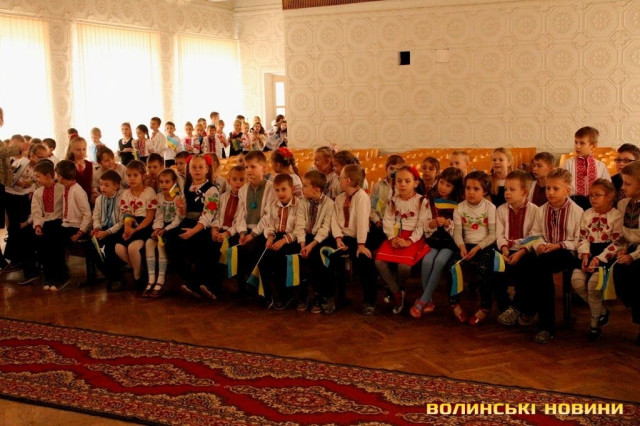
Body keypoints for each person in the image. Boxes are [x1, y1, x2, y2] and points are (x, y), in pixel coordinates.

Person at [528, 168, 584, 343]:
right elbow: (535, 234)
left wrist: (559, 245)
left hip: (567, 252)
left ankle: (538, 319)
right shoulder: (541, 210)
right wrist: (539, 244)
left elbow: (579, 240)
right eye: (548, 188)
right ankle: (536, 316)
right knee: (532, 263)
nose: (550, 192)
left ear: (567, 190)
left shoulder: (577, 212)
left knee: (540, 266)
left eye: (555, 188)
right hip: (547, 252)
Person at [374, 166, 430, 314]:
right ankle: (397, 292)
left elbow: (421, 225)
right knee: (379, 262)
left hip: (413, 238)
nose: (403, 184)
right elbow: (388, 221)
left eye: (407, 181)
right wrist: (392, 237)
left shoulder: (422, 201)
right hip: (395, 235)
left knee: (404, 267)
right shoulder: (392, 200)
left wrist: (409, 240)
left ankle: (396, 289)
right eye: (399, 181)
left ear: (415, 183)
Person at [571, 179, 622, 341]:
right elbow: (583, 237)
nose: (592, 199)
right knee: (576, 282)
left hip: (606, 256)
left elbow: (617, 242)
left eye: (597, 195)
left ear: (610, 196)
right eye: (590, 195)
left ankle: (594, 324)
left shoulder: (616, 216)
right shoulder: (587, 214)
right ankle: (601, 311)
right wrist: (585, 254)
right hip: (589, 252)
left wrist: (599, 259)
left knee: (593, 286)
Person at [411, 167, 464, 318]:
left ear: (455, 188)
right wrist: (431, 224)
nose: (443, 187)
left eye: (448, 185)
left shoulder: (459, 204)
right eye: (441, 182)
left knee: (440, 261)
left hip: (449, 242)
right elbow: (424, 221)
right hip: (433, 239)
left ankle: (422, 300)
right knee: (427, 261)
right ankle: (429, 300)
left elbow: (459, 227)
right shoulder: (430, 199)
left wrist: (448, 224)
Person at [167, 155, 219, 298]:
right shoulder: (186, 188)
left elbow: (208, 214)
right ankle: (187, 278)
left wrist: (193, 231)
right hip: (187, 222)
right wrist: (181, 208)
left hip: (202, 226)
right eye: (194, 167)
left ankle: (198, 283)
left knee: (201, 243)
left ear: (207, 169)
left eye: (201, 167)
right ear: (188, 170)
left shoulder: (211, 189)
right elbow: (183, 214)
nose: (197, 170)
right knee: (170, 240)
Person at [330, 164, 377, 315]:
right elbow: (334, 220)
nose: (339, 180)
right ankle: (335, 296)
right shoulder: (340, 198)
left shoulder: (361, 197)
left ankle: (369, 300)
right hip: (343, 238)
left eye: (340, 178)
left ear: (348, 181)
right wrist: (338, 239)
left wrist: (361, 245)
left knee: (365, 261)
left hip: (361, 238)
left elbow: (362, 222)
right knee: (328, 256)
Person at [451, 171, 497, 325]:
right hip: (466, 245)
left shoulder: (490, 207)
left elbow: (493, 235)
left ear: (485, 191)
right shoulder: (459, 207)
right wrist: (461, 246)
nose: (471, 192)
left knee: (484, 269)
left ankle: (485, 306)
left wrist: (477, 248)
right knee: (453, 267)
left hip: (484, 245)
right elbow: (457, 233)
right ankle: (455, 304)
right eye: (468, 188)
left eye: (476, 189)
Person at [495, 170, 539, 326]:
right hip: (506, 250)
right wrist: (504, 249)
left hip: (525, 251)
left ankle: (519, 308)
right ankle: (506, 307)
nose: (507, 193)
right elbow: (499, 235)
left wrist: (520, 252)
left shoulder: (535, 210)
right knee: (495, 270)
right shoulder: (501, 210)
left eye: (512, 189)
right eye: (506, 189)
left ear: (524, 192)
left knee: (528, 270)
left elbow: (534, 236)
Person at [201, 165, 246, 299]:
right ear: (228, 180)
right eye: (235, 179)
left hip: (234, 233)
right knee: (209, 246)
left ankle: (238, 289)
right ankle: (209, 284)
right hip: (220, 230)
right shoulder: (222, 197)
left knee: (230, 249)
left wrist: (226, 234)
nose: (238, 183)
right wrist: (214, 229)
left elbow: (239, 221)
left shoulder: (244, 200)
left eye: (241, 180)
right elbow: (217, 216)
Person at [293, 170, 335, 313]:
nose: (302, 188)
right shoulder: (302, 202)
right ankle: (302, 293)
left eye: (305, 186)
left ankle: (320, 295)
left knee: (319, 258)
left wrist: (311, 245)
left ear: (316, 189)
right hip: (305, 238)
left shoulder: (329, 204)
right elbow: (299, 225)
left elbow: (325, 228)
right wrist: (302, 243)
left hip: (320, 239)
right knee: (294, 256)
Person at [236, 151, 275, 301]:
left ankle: (263, 293)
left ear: (264, 168)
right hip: (246, 231)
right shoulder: (243, 190)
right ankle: (243, 291)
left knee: (257, 251)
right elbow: (240, 214)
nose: (249, 170)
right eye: (246, 167)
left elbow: (268, 215)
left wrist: (253, 234)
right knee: (237, 250)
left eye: (253, 167)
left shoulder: (271, 188)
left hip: (262, 231)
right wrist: (242, 233)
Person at [260, 174, 302, 309]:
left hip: (292, 240)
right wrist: (270, 237)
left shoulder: (299, 205)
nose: (280, 193)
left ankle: (286, 296)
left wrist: (283, 241)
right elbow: (270, 224)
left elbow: (299, 229)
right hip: (276, 237)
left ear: (292, 188)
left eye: (284, 189)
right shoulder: (273, 204)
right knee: (263, 261)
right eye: (277, 190)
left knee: (282, 261)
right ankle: (267, 295)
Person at [115, 160, 158, 290]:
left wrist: (136, 229)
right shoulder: (126, 193)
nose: (132, 178)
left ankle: (137, 276)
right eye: (129, 175)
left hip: (144, 226)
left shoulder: (149, 192)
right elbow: (127, 214)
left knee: (133, 248)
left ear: (143, 176)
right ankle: (138, 268)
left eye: (135, 175)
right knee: (118, 247)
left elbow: (150, 216)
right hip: (131, 224)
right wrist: (127, 227)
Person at [143, 168, 184, 298]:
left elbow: (179, 218)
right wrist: (157, 228)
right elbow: (159, 215)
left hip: (174, 228)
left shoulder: (179, 197)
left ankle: (161, 279)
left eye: (167, 182)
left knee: (161, 244)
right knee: (149, 243)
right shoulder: (159, 197)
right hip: (162, 227)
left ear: (174, 182)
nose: (164, 185)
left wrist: (166, 229)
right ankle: (151, 279)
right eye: (161, 182)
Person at [614, 161, 640, 345]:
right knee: (619, 272)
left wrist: (633, 256)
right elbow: (623, 233)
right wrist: (623, 248)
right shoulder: (623, 204)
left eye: (628, 184)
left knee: (638, 275)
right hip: (630, 248)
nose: (623, 187)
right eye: (623, 182)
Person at [28, 160, 65, 288]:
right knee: (42, 245)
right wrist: (37, 225)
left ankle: (61, 276)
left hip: (60, 223)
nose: (36, 179)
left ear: (48, 176)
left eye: (38, 176)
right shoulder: (38, 193)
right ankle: (49, 276)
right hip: (46, 224)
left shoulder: (62, 189)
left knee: (54, 243)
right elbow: (36, 211)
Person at [57, 160, 92, 290]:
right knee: (49, 236)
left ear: (61, 176)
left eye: (57, 174)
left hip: (76, 227)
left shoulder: (78, 191)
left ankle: (63, 276)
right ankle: (56, 273)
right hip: (66, 225)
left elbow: (87, 214)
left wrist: (80, 233)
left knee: (57, 242)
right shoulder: (66, 188)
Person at [89, 170, 124, 291]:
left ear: (116, 186)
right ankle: (109, 275)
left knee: (110, 249)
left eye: (106, 185)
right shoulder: (99, 199)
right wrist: (97, 227)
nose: (102, 187)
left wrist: (107, 232)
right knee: (92, 248)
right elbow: (96, 216)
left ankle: (116, 277)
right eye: (101, 184)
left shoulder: (121, 199)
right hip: (103, 228)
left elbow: (121, 221)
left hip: (116, 230)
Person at [562, 126, 611, 210]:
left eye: (582, 143)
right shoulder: (568, 164)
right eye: (576, 142)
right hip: (573, 203)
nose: (577, 146)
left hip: (594, 204)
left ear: (593, 146)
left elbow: (607, 187)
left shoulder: (600, 166)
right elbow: (562, 185)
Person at [370, 155, 406, 248]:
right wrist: (376, 220)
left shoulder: (404, 188)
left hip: (397, 223)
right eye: (391, 168)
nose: (394, 172)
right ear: (386, 168)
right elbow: (373, 207)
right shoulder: (378, 186)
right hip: (380, 222)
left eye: (398, 169)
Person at [65, 136, 93, 201]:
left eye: (84, 149)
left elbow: (92, 182)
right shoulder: (68, 165)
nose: (81, 152)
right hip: (72, 198)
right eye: (78, 150)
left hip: (87, 197)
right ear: (72, 150)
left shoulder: (90, 165)